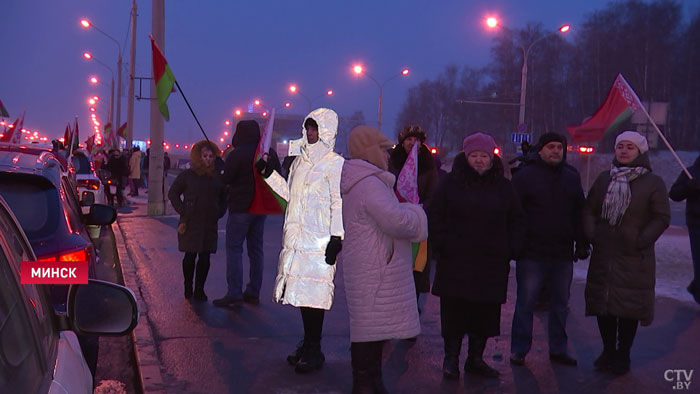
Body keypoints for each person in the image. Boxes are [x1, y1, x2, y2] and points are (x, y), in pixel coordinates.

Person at [340, 125, 428, 393]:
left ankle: (370, 384)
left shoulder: (361, 181)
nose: (388, 154)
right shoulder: (370, 184)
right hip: (375, 268)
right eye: (382, 149)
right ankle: (366, 386)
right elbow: (396, 222)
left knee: (370, 330)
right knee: (369, 334)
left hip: (368, 265)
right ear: (370, 151)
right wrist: (417, 213)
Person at [430, 133, 524, 379]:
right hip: (456, 261)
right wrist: (441, 243)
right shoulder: (450, 183)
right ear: (466, 156)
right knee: (454, 312)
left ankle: (475, 358)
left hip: (490, 262)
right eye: (474, 156)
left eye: (484, 156)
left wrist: (511, 247)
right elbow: (435, 214)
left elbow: (516, 218)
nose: (480, 161)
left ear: (492, 158)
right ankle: (451, 359)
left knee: (483, 312)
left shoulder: (503, 186)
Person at [261, 108, 344, 374]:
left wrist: (336, 237)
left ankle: (314, 348)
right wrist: (269, 175)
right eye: (308, 128)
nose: (310, 133)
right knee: (304, 294)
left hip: (320, 241)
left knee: (315, 296)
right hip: (298, 239)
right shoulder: (299, 161)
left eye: (315, 129)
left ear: (326, 131)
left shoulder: (334, 163)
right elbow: (289, 194)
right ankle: (307, 343)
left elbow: (338, 202)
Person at [583, 131, 670, 374]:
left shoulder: (653, 182)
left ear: (640, 152)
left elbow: (661, 216)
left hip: (634, 256)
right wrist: (593, 234)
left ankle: (623, 354)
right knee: (605, 304)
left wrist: (641, 240)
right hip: (605, 254)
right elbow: (589, 209)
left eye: (629, 147)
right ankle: (608, 350)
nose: (623, 151)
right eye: (620, 146)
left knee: (628, 308)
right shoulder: (604, 179)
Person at [509, 132, 589, 367]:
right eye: (551, 147)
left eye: (559, 147)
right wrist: (516, 245)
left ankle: (558, 349)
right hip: (531, 253)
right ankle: (519, 349)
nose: (556, 151)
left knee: (559, 305)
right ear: (540, 149)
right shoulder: (524, 177)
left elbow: (579, 213)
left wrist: (582, 242)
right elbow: (514, 214)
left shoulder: (571, 178)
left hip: (562, 254)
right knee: (526, 303)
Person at [213, 120, 281, 307]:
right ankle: (253, 291)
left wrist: (220, 166)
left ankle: (234, 292)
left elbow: (226, 179)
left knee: (235, 249)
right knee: (256, 250)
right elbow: (278, 176)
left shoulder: (237, 154)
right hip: (261, 208)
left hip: (240, 209)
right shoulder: (268, 153)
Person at [168, 140, 226, 301]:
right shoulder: (188, 176)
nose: (208, 159)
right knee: (190, 255)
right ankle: (188, 286)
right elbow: (173, 193)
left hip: (209, 222)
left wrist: (219, 212)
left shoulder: (217, 178)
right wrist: (183, 210)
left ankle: (200, 289)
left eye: (210, 156)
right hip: (190, 222)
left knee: (205, 257)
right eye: (204, 156)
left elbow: (224, 197)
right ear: (198, 157)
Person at [388, 125, 438, 311]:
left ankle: (412, 312)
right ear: (402, 142)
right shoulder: (392, 161)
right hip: (394, 221)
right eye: (408, 139)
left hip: (419, 224)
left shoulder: (427, 163)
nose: (412, 143)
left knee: (416, 270)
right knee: (395, 270)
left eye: (416, 140)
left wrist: (421, 210)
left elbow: (433, 192)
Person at [669, 153, 700, 305]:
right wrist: (689, 187)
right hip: (697, 223)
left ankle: (696, 287)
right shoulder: (691, 172)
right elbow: (674, 194)